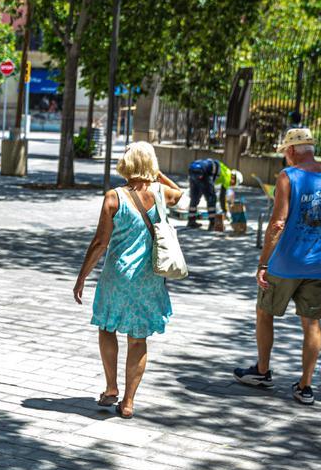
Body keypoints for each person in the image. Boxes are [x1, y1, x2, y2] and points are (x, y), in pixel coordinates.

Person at [234, 127, 321, 405]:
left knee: (264, 312)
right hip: (319, 265)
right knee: (312, 325)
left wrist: (263, 263)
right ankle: (305, 386)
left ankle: (262, 371)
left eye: (285, 150)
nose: (285, 156)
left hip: (285, 263)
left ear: (292, 150)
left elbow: (278, 223)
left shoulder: (289, 176)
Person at [73, 142, 183, 418]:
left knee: (107, 327)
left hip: (117, 276)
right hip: (148, 278)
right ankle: (129, 402)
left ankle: (111, 388)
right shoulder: (161, 193)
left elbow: (100, 242)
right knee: (138, 339)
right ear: (151, 165)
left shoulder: (114, 197)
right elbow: (179, 193)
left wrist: (82, 277)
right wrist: (156, 175)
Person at [186, 158, 242, 229]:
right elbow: (222, 196)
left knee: (195, 197)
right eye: (233, 183)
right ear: (234, 178)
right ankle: (212, 223)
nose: (231, 184)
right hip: (205, 173)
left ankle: (191, 220)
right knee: (212, 198)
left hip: (193, 171)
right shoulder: (228, 175)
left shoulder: (224, 170)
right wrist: (225, 211)